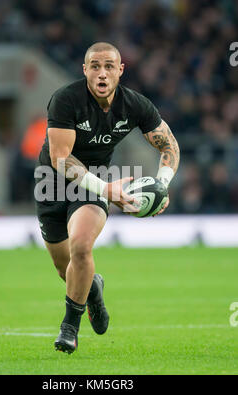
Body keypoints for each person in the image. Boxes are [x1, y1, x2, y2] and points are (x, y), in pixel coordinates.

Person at [35, 42, 180, 354]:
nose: (102, 73)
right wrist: (108, 190)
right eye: (95, 66)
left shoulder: (135, 105)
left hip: (93, 183)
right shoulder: (65, 100)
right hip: (51, 182)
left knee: (82, 246)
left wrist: (162, 185)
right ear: (85, 70)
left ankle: (69, 329)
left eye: (109, 66)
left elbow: (169, 146)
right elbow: (61, 159)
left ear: (120, 70)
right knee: (66, 269)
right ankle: (93, 289)